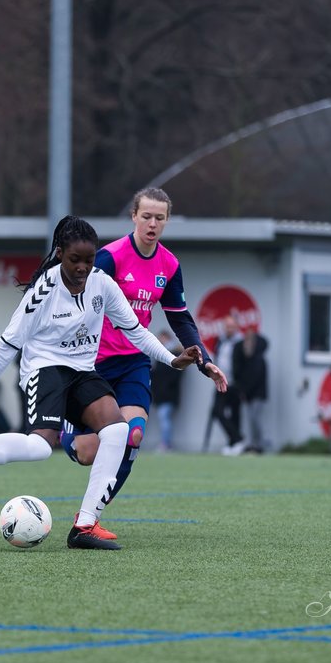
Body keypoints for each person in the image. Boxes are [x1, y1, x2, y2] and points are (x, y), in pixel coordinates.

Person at [0, 215, 204, 550]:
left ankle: (85, 525)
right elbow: (6, 345)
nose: (83, 267)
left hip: (84, 371)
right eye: (75, 260)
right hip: (45, 370)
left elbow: (135, 331)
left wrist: (172, 360)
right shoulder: (42, 292)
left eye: (89, 259)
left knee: (118, 430)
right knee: (40, 447)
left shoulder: (103, 284)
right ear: (59, 254)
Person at [58, 187, 228, 480]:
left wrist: (204, 361)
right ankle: (68, 434)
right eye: (146, 216)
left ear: (167, 221)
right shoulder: (109, 258)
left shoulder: (170, 265)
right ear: (134, 216)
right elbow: (74, 302)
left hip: (134, 361)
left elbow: (180, 319)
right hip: (93, 363)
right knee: (87, 452)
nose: (152, 224)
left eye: (159, 218)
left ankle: (91, 516)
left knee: (133, 435)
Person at [233, 324, 270, 453]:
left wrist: (245, 391)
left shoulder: (259, 359)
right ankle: (252, 445)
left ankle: (260, 444)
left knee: (255, 419)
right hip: (248, 394)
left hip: (257, 394)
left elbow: (256, 379)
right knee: (250, 420)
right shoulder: (244, 359)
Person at [212, 316, 246, 455]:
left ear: (236, 327)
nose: (229, 329)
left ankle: (234, 444)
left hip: (235, 384)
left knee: (235, 414)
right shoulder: (220, 341)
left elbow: (245, 365)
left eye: (232, 326)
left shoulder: (241, 342)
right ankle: (237, 438)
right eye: (227, 326)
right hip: (221, 382)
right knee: (218, 412)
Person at [150, 330, 183, 452]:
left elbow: (172, 376)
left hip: (168, 394)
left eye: (162, 339)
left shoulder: (174, 354)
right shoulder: (160, 355)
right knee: (164, 418)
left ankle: (166, 444)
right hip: (162, 394)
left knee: (164, 418)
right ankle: (166, 443)